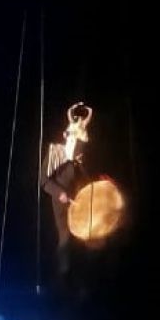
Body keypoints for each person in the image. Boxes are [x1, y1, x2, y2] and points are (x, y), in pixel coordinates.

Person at [42, 102, 93, 285]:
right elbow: (44, 181)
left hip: (79, 201)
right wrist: (60, 193)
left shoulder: (79, 161)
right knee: (66, 238)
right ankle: (63, 278)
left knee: (86, 238)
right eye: (78, 149)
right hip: (62, 201)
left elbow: (84, 178)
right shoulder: (56, 153)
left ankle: (84, 280)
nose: (80, 154)